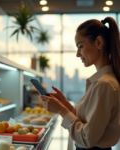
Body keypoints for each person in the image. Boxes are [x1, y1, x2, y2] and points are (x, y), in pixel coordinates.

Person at [40, 17, 120, 150]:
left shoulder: (104, 84)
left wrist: (61, 110)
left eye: (80, 46)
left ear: (99, 43)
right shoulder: (101, 82)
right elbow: (87, 122)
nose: (78, 54)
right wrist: (64, 104)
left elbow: (87, 138)